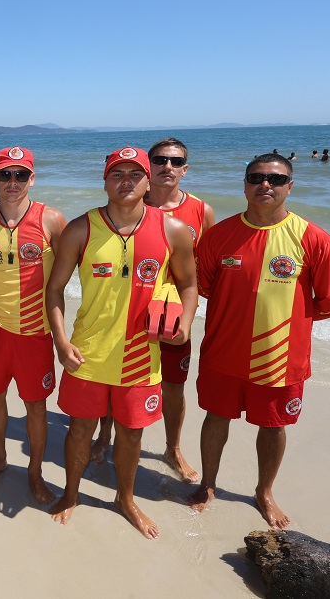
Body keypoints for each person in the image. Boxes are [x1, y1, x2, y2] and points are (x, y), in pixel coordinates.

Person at [188, 153, 330, 528]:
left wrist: (285, 325)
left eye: (276, 180)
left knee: (273, 425)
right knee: (216, 417)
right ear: (244, 184)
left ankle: (264, 492)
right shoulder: (219, 236)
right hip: (223, 353)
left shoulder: (316, 240)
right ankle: (208, 485)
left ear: (289, 187)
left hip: (281, 358)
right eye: (257, 177)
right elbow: (205, 286)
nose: (266, 185)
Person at [45, 147, 198, 538]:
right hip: (89, 352)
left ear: (149, 181)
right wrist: (62, 341)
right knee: (80, 430)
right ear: (105, 180)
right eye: (117, 174)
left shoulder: (173, 230)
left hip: (141, 354)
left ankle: (125, 499)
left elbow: (189, 283)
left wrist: (186, 320)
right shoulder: (82, 228)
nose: (126, 181)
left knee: (132, 433)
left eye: (135, 174)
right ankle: (72, 492)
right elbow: (55, 288)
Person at [0, 146, 66, 504]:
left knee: (36, 407)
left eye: (21, 175)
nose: (13, 182)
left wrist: (64, 334)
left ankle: (35, 472)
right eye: (6, 175)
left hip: (36, 333)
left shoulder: (51, 220)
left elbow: (71, 275)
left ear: (32, 178)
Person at [141, 137, 214, 483]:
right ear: (149, 165)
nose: (166, 166)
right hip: (135, 309)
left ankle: (172, 448)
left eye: (175, 161)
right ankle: (104, 437)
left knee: (173, 384)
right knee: (119, 377)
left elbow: (209, 266)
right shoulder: (130, 203)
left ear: (185, 169)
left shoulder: (201, 211)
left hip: (177, 312)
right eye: (160, 159)